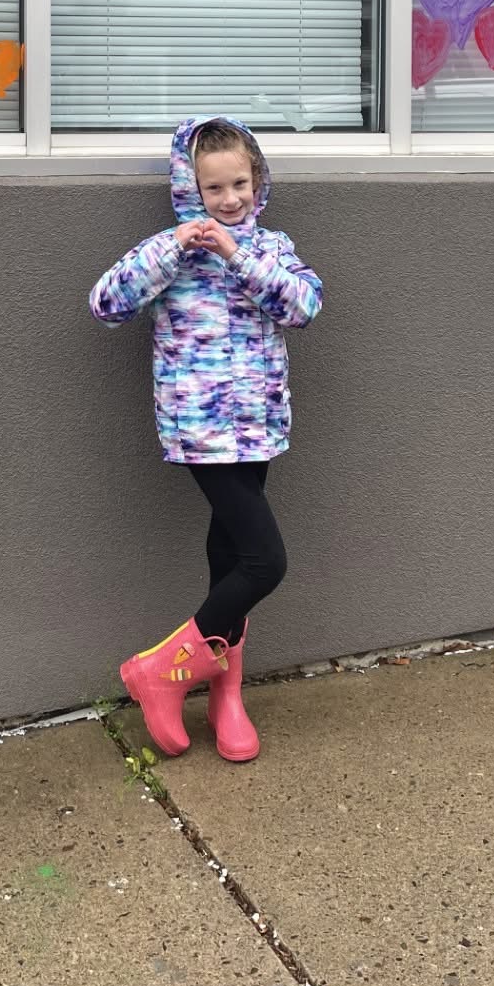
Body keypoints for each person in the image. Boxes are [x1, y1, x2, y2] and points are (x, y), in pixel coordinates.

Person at [88, 116, 322, 762]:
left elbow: (305, 307)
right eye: (214, 187)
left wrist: (237, 256)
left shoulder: (270, 247)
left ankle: (226, 697)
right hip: (200, 429)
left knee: (230, 559)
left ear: (257, 181)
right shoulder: (171, 252)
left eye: (239, 184)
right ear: (190, 189)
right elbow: (106, 305)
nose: (229, 198)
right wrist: (172, 249)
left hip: (259, 426)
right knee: (265, 561)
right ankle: (160, 671)